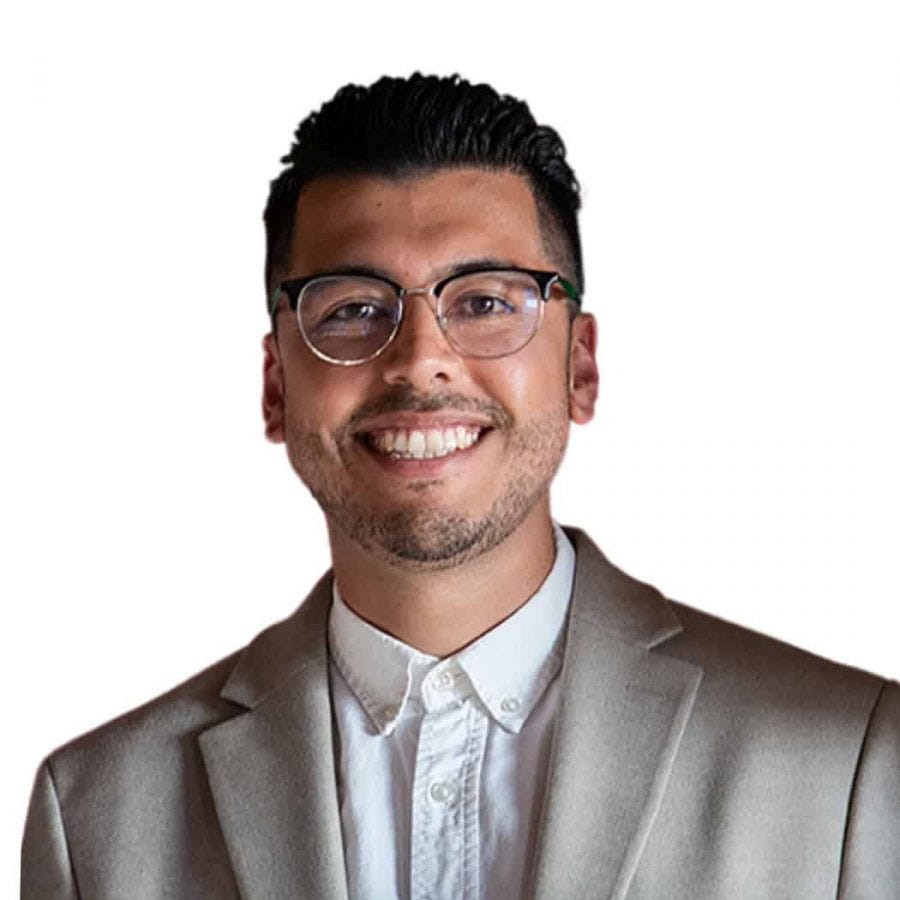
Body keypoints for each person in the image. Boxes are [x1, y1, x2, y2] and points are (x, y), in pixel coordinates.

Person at [21, 72, 899, 900]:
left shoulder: (847, 765)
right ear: (276, 387)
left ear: (580, 366)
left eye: (484, 301)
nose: (420, 359)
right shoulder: (97, 818)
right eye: (353, 310)